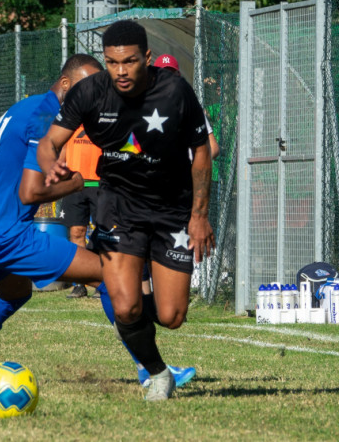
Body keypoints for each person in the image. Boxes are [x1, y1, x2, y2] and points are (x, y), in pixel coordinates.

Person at [0, 54, 196, 395]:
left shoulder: (25, 107)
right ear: (66, 83)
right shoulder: (45, 116)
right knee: (108, 276)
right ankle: (151, 370)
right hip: (6, 232)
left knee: (13, 294)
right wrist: (78, 182)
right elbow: (30, 192)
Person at [39, 21, 215, 401]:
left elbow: (202, 153)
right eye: (112, 62)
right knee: (125, 305)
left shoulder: (176, 90)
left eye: (130, 61)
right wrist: (50, 162)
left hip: (172, 208)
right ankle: (158, 373)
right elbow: (49, 142)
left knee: (171, 316)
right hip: (118, 203)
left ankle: (141, 324)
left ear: (147, 58)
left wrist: (199, 214)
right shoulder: (90, 92)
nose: (120, 71)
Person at [59, 125, 101, 299]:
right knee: (76, 232)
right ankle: (79, 284)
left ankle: (103, 282)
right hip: (75, 185)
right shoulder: (71, 123)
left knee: (104, 232)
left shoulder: (104, 119)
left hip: (100, 184)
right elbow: (63, 150)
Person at [153, 53, 220, 159]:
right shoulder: (146, 107)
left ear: (178, 76)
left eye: (171, 75)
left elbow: (213, 148)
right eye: (162, 75)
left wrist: (194, 165)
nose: (167, 81)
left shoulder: (190, 108)